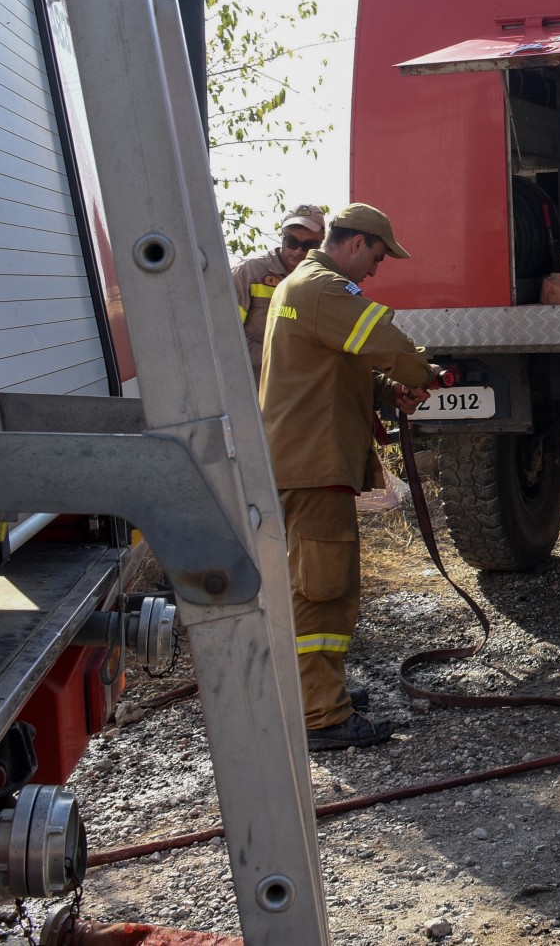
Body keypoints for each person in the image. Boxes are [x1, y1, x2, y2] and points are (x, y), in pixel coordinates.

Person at [260, 203, 438, 750]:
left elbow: (343, 369)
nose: (375, 272)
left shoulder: (304, 289)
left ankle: (313, 692)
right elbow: (385, 341)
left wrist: (390, 394)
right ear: (356, 243)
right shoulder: (324, 289)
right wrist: (424, 373)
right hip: (312, 465)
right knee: (324, 592)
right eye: (377, 257)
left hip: (305, 461)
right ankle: (321, 716)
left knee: (310, 586)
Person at [232, 205, 326, 381]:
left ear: (321, 243)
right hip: (252, 389)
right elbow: (225, 333)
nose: (298, 251)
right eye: (291, 241)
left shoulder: (322, 282)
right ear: (281, 236)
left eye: (309, 245)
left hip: (299, 389)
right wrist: (277, 359)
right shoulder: (249, 273)